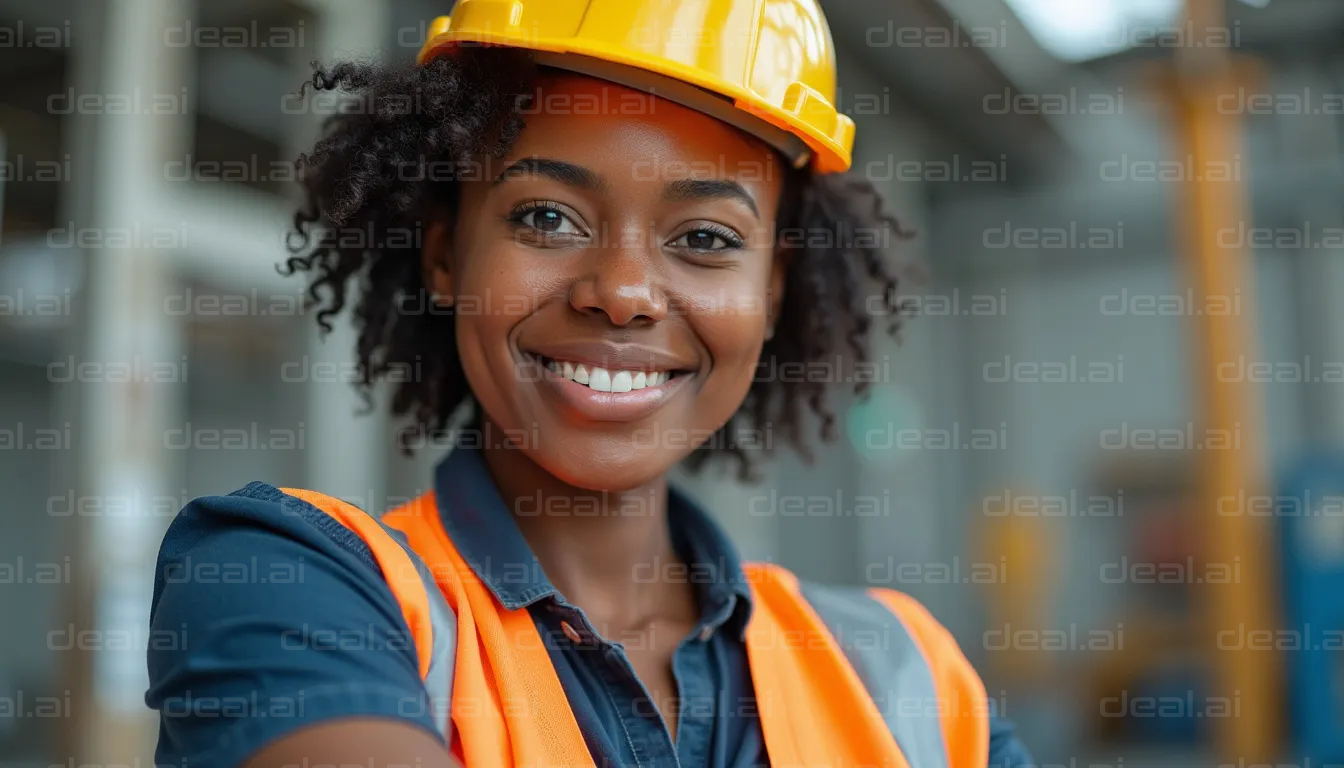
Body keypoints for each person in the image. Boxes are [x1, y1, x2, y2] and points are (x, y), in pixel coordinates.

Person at [146, 2, 1034, 767]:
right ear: (448, 253)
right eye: (546, 216)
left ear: (770, 292)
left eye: (707, 238)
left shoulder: (909, 674)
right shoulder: (283, 581)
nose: (621, 293)